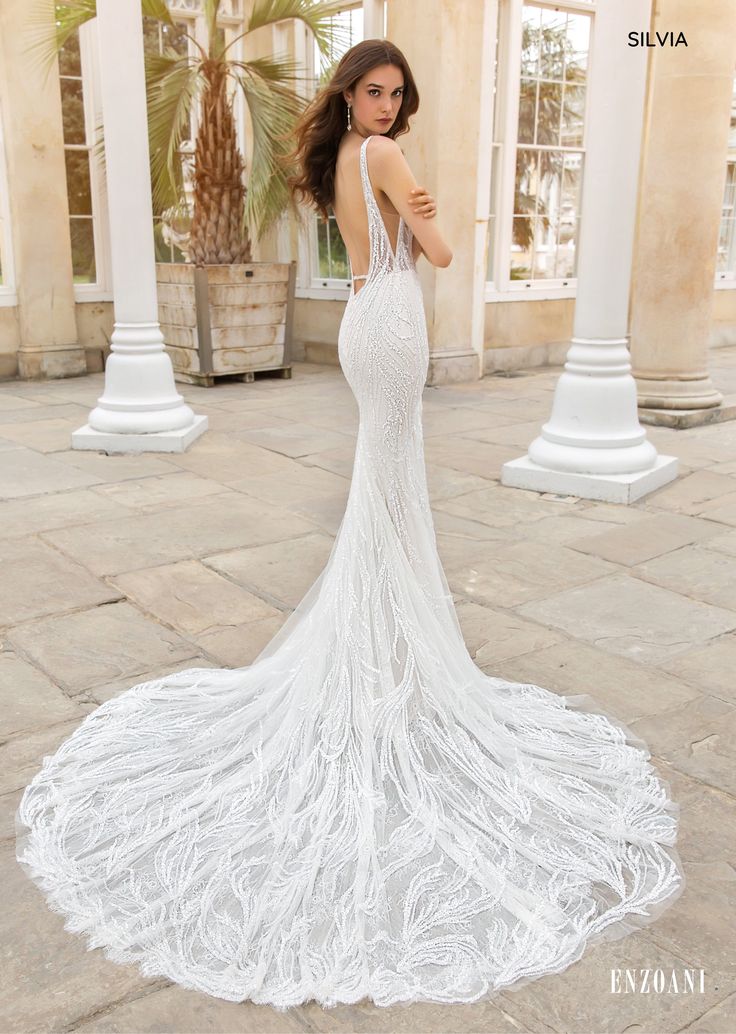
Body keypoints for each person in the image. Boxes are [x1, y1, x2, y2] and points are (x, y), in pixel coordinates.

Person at [15, 38, 684, 1011]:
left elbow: (376, 241)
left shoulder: (335, 159)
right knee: (388, 488)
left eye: (395, 93)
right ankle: (387, 648)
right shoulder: (379, 156)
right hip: (395, 320)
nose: (384, 104)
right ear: (351, 95)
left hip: (375, 318)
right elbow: (441, 250)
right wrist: (441, 218)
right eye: (372, 90)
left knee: (386, 487)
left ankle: (386, 644)